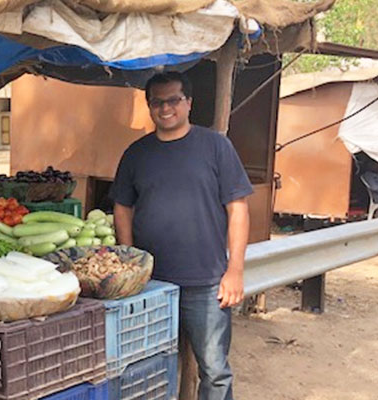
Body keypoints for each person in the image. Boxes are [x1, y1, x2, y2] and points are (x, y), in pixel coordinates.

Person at [110, 72, 252, 400]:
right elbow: (123, 208)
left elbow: (238, 208)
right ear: (149, 107)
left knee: (214, 370)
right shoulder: (136, 154)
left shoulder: (216, 146)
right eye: (157, 102)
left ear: (188, 103)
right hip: (152, 283)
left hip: (206, 281)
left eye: (173, 100)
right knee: (150, 368)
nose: (165, 108)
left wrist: (235, 271)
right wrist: (131, 263)